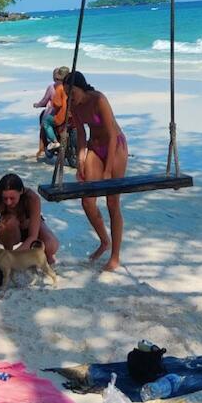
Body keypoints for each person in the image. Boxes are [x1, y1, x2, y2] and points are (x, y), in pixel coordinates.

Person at [65, 70, 128, 272]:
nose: (70, 96)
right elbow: (82, 135)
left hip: (115, 146)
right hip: (94, 146)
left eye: (72, 91)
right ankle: (104, 240)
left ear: (82, 88)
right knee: (87, 200)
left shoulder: (99, 99)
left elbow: (111, 135)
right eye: (67, 93)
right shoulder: (73, 105)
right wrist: (80, 161)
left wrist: (108, 169)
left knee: (112, 202)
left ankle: (115, 256)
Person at [0, 173, 59, 265]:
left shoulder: (32, 198)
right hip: (10, 232)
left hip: (30, 230)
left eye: (12, 198)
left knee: (51, 245)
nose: (8, 202)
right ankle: (8, 251)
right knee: (9, 223)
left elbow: (32, 237)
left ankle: (45, 258)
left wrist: (13, 257)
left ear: (21, 191)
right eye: (5, 198)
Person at [33, 67, 70, 158]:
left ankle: (51, 144)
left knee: (45, 123)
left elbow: (50, 102)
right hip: (70, 115)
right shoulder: (71, 87)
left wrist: (37, 105)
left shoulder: (55, 87)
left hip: (59, 114)